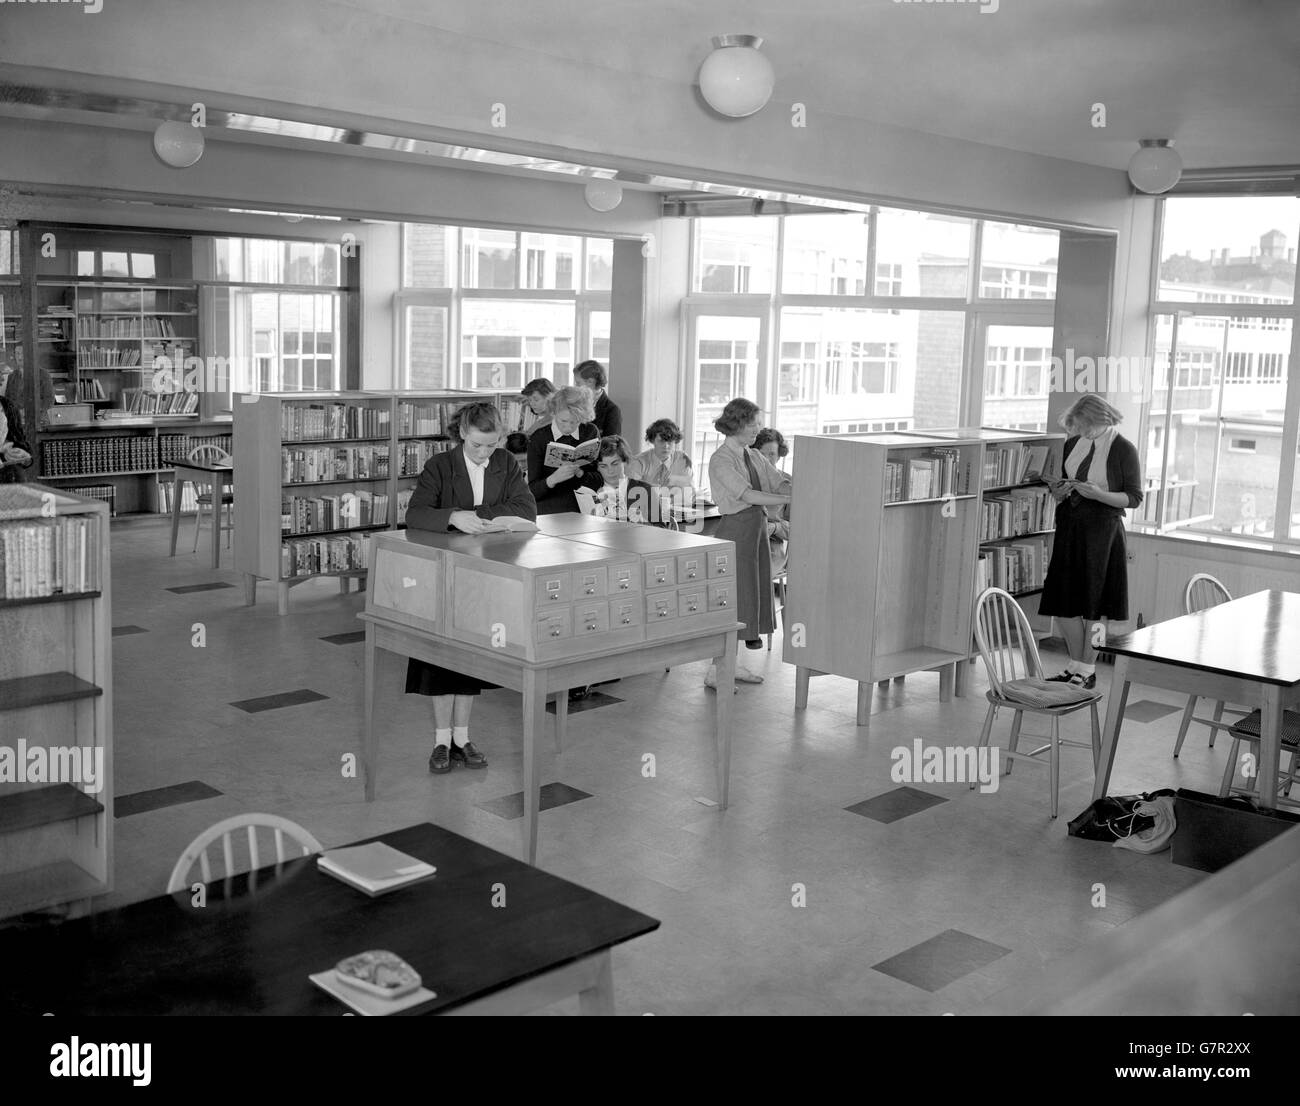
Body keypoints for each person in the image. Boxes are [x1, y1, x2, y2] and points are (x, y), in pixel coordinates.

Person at [404, 401, 537, 773]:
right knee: (439, 659)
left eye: (491, 445)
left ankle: (462, 737)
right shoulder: (440, 466)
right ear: (463, 433)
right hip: (444, 573)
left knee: (469, 659)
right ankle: (440, 740)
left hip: (484, 574)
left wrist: (476, 517)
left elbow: (526, 510)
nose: (484, 453)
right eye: (477, 445)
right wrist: (452, 517)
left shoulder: (506, 462)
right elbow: (414, 515)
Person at [1037, 394, 1143, 690]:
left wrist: (1099, 495)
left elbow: (1133, 498)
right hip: (1070, 527)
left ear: (1103, 420)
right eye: (1078, 428)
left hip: (1103, 532)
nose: (1082, 433)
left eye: (1087, 428)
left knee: (1097, 606)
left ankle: (1088, 667)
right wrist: (1059, 491)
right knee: (1063, 601)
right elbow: (1067, 481)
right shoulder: (1073, 443)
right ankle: (1075, 664)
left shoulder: (1123, 449)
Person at [706, 399, 791, 688]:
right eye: (753, 423)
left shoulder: (753, 456)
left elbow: (777, 481)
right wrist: (788, 499)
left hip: (756, 530)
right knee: (734, 600)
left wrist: (804, 485)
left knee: (750, 597)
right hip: (736, 530)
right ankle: (718, 669)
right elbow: (748, 495)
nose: (757, 428)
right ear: (738, 424)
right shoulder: (721, 460)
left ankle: (729, 665)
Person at [526, 384, 599, 515]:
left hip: (585, 506)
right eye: (563, 421)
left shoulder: (590, 432)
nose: (568, 427)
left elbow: (599, 479)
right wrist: (553, 479)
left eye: (575, 421)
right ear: (553, 413)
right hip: (549, 509)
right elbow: (532, 491)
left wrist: (580, 474)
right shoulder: (539, 438)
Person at [578, 435, 662, 525]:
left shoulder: (645, 490)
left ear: (625, 461)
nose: (610, 471)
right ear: (597, 468)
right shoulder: (590, 493)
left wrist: (643, 524)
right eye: (603, 466)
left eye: (615, 464)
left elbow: (663, 532)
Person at [753, 428, 790, 576]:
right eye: (761, 454)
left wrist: (775, 527)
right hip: (746, 537)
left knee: (755, 573)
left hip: (772, 544)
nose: (766, 460)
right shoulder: (744, 480)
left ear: (779, 456)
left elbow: (799, 529)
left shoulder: (789, 485)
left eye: (772, 454)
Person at [627, 418, 694, 490]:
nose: (666, 446)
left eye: (670, 441)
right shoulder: (638, 462)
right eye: (661, 441)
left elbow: (690, 491)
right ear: (653, 440)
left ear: (675, 441)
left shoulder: (683, 460)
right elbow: (631, 494)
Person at [0, 362, 33, 485]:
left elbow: (21, 444)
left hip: (8, 478)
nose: (3, 379)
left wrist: (23, 456)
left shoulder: (8, 406)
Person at [573, 360, 622, 437]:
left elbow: (611, 444)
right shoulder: (575, 403)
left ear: (590, 382)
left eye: (578, 383)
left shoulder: (612, 410)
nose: (575, 386)